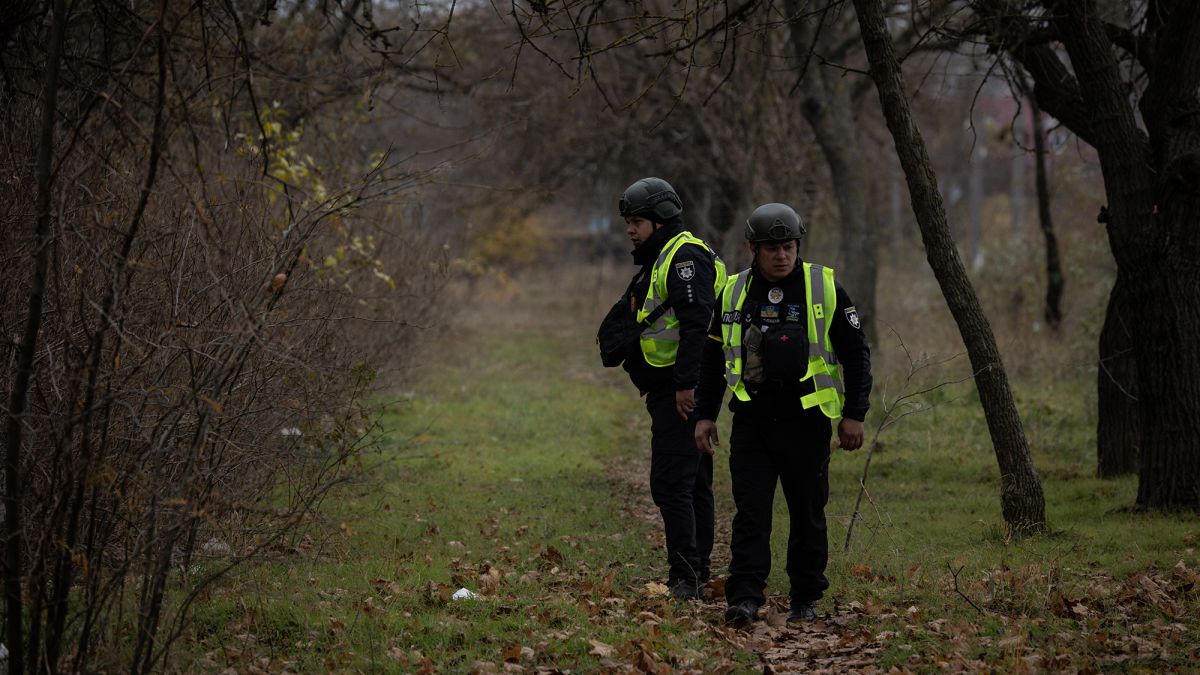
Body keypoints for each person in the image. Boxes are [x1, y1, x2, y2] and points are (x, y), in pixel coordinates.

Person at [692, 202, 872, 625]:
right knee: (751, 513)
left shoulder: (824, 287)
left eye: (789, 246)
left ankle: (804, 598)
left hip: (806, 423)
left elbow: (856, 354)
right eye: (772, 248)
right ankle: (745, 596)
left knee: (807, 513)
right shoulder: (733, 292)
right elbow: (712, 359)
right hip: (752, 423)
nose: (782, 255)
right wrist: (705, 414)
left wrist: (854, 413)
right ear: (753, 249)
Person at [604, 177, 727, 601]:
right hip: (672, 389)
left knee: (672, 484)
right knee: (691, 483)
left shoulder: (684, 257)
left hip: (682, 392)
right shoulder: (664, 257)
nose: (630, 230)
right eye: (628, 222)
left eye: (637, 221)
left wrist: (686, 386)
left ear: (660, 220)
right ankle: (696, 572)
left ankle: (686, 577)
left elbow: (697, 326)